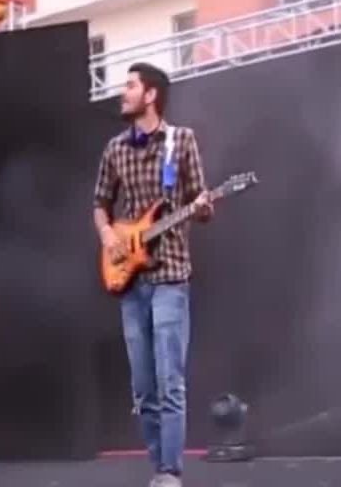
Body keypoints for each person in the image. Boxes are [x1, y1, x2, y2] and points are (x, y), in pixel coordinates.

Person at [92, 63, 212, 487]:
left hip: (171, 276)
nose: (122, 92)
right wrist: (109, 235)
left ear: (151, 95)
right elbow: (100, 203)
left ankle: (169, 471)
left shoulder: (182, 141)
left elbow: (200, 201)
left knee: (169, 381)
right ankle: (158, 463)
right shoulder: (115, 149)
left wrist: (203, 207)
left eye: (130, 85)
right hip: (131, 280)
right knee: (143, 387)